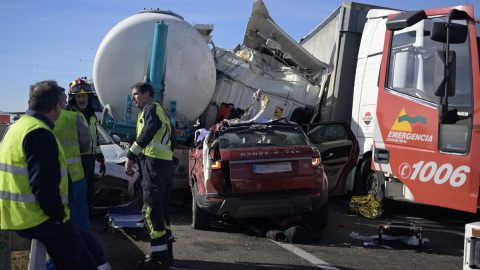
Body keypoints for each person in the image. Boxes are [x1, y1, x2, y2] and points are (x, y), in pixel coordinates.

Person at [0, 80, 110, 270]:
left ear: (30, 103)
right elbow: (43, 185)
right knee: (86, 261)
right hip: (38, 219)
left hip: (18, 215)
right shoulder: (39, 133)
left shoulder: (16, 127)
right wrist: (60, 217)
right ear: (58, 106)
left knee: (92, 245)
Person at [125, 82, 176, 270]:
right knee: (161, 210)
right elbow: (173, 137)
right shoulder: (159, 110)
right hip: (163, 165)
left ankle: (159, 259)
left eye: (135, 94)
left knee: (151, 210)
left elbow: (150, 128)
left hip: (154, 165)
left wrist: (131, 154)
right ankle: (167, 255)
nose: (132, 98)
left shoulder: (150, 110)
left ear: (147, 94)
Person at [66, 78, 106, 216]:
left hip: (90, 160)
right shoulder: (69, 114)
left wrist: (101, 158)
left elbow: (95, 138)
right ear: (73, 98)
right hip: (75, 162)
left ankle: (87, 222)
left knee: (89, 192)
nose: (82, 99)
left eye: (84, 96)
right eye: (78, 96)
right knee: (77, 194)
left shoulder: (91, 114)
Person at [53, 90, 91, 231]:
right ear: (61, 102)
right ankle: (82, 247)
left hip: (52, 179)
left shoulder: (40, 119)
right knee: (79, 214)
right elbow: (85, 142)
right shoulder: (72, 117)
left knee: (57, 217)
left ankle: (56, 251)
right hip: (74, 177)